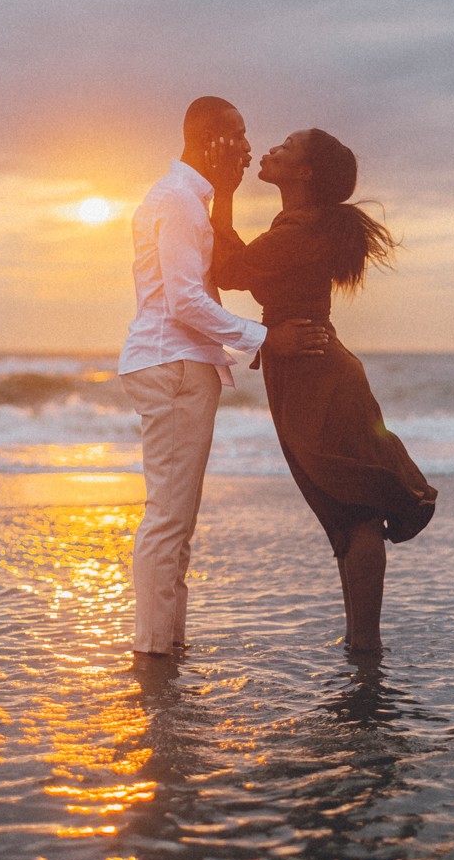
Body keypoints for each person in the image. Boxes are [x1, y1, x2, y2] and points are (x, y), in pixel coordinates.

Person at [209, 127, 437, 653]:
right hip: (306, 370)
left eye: (285, 148)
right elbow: (244, 266)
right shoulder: (295, 224)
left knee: (355, 510)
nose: (271, 150)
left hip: (317, 373)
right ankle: (361, 642)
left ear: (305, 172)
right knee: (342, 512)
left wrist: (223, 190)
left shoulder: (300, 228)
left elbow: (226, 268)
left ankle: (366, 646)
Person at [119, 97, 329, 657]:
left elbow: (211, 281)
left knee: (176, 518)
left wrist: (229, 196)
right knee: (168, 518)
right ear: (208, 140)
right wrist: (265, 338)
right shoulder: (180, 202)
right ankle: (154, 650)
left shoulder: (189, 200)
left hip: (181, 363)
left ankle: (167, 642)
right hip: (176, 365)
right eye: (236, 135)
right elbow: (186, 300)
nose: (247, 146)